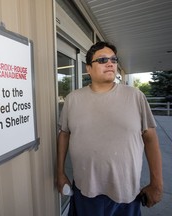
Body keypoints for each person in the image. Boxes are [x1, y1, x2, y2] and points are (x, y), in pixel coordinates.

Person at [56, 41, 163, 216]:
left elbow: (150, 139)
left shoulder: (135, 96)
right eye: (103, 59)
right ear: (88, 68)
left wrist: (157, 184)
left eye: (113, 59)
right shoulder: (72, 99)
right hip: (85, 190)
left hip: (125, 194)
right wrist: (60, 173)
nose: (110, 63)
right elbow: (64, 135)